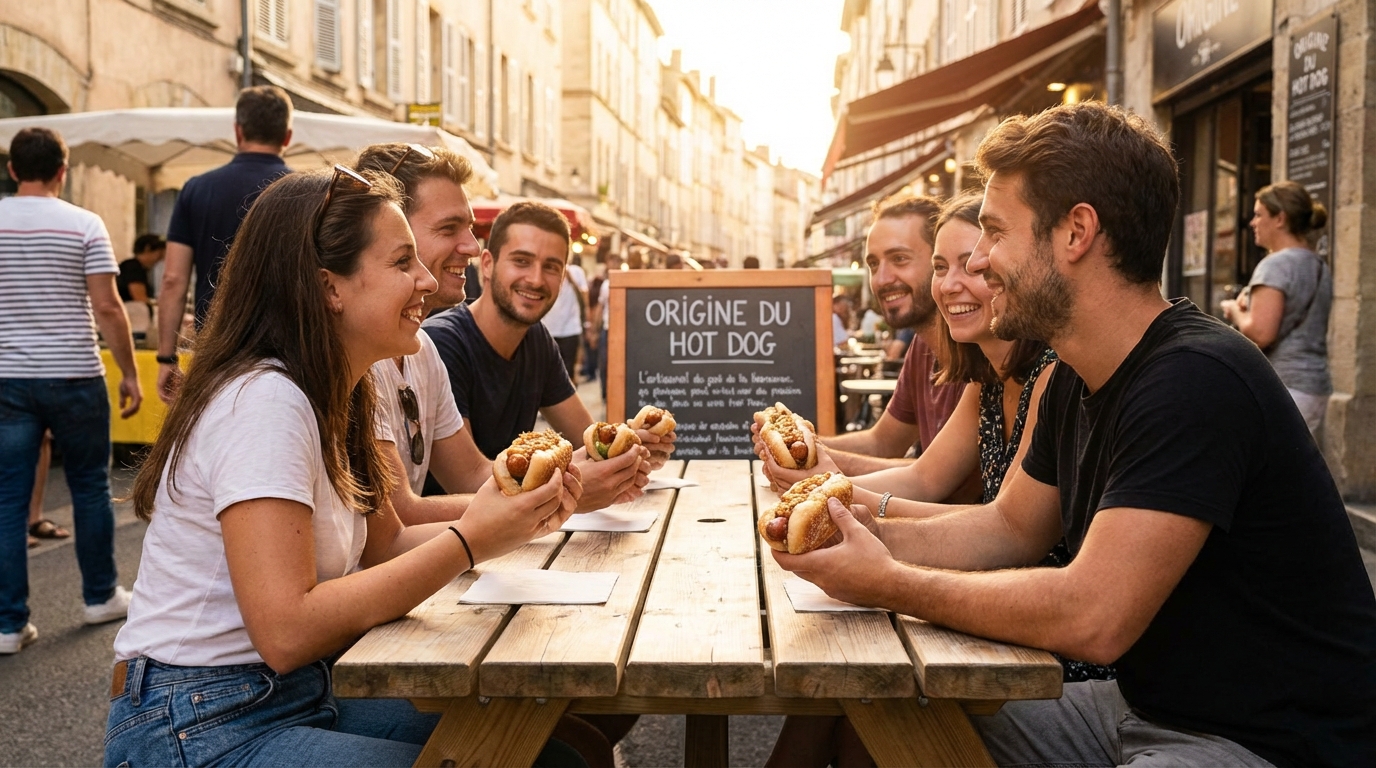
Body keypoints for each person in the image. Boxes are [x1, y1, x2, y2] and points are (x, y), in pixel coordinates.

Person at [776, 101, 1376, 768]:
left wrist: (888, 581)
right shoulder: (1073, 376)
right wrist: (859, 533)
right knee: (873, 720)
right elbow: (1007, 530)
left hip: (1264, 743)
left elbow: (1093, 615)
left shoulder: (1195, 379)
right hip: (1145, 710)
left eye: (997, 232)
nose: (980, 258)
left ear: (1077, 233)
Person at [104, 167, 583, 766]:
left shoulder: (342, 390)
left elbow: (390, 542)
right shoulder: (264, 400)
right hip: (197, 721)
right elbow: (285, 633)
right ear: (330, 287)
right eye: (403, 262)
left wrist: (512, 519)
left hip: (303, 689)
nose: (427, 281)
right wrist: (471, 538)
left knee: (556, 752)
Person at [0, 127, 142, 655]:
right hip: (76, 375)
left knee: (8, 500)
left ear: (13, 169)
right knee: (88, 487)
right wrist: (129, 372)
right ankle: (100, 596)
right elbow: (107, 307)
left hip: (7, 378)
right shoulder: (84, 224)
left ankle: (9, 625)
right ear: (63, 170)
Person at [423, 201, 664, 512]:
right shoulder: (443, 343)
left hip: (515, 534)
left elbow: (587, 442)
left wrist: (633, 450)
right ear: (486, 264)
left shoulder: (536, 339)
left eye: (551, 266)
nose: (536, 279)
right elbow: (469, 482)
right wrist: (572, 490)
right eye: (521, 261)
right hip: (448, 538)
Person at [809, 196, 966, 478]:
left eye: (899, 259)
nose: (881, 279)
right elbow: (883, 442)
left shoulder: (980, 349)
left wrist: (815, 459)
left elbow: (940, 479)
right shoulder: (922, 345)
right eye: (873, 264)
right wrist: (804, 444)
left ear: (941, 262)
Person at [156, 85, 293, 403]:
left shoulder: (197, 189)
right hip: (288, 348)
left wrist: (167, 358)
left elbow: (173, 280)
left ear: (237, 131)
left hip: (216, 347)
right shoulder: (308, 192)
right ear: (287, 137)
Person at [1221, 181, 1332, 436]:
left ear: (1280, 218)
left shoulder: (1276, 265)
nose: (1252, 222)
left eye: (1259, 214)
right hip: (1314, 386)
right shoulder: (1317, 264)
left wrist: (1234, 311)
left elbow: (1261, 333)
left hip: (1286, 385)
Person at [541, 252, 589, 383]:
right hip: (548, 328)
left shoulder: (576, 271)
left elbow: (584, 295)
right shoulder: (546, 270)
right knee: (548, 371)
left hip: (570, 328)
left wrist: (571, 279)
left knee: (569, 371)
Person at [116, 233, 166, 304]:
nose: (160, 260)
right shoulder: (133, 267)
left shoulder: (136, 267)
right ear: (147, 248)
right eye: (160, 254)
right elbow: (140, 299)